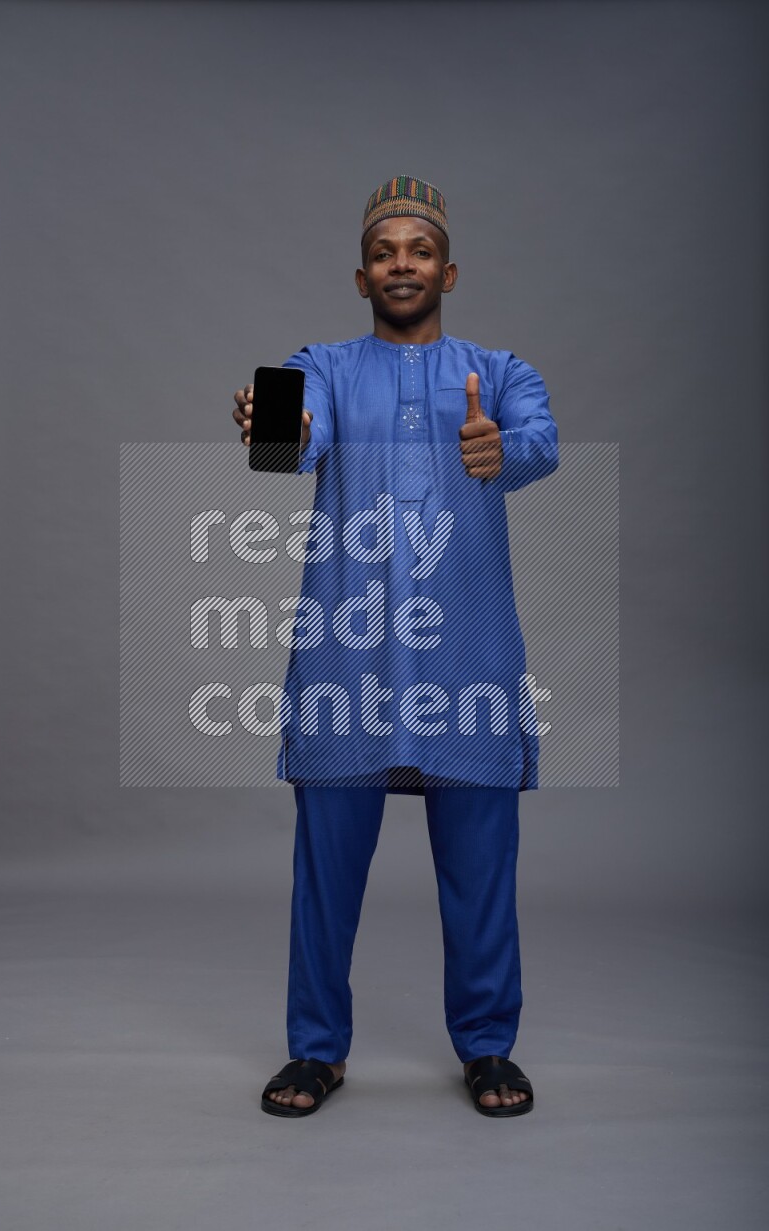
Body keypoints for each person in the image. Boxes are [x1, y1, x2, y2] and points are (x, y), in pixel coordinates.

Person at [233, 175, 558, 1118]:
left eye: (418, 252)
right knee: (325, 875)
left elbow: (540, 440)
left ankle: (490, 1047)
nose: (402, 265)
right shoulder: (325, 366)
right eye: (385, 254)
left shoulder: (497, 371)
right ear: (361, 275)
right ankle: (316, 1051)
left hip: (470, 661)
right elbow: (296, 432)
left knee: (482, 872)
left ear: (447, 269)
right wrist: (276, 424)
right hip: (350, 660)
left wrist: (503, 447)